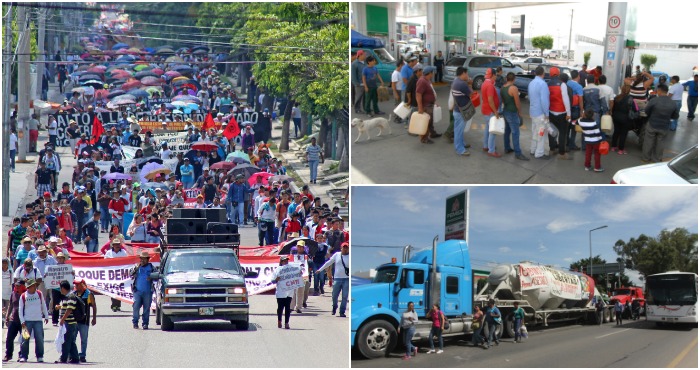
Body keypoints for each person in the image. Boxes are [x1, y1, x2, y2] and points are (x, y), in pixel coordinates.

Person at [642, 84, 679, 163]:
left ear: (659, 91)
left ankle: (646, 158)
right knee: (660, 143)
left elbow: (646, 111)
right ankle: (657, 159)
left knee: (648, 141)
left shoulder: (654, 100)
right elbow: (675, 116)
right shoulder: (673, 103)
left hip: (652, 124)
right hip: (664, 126)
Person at [17, 278, 49, 363]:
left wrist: (46, 316)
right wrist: (22, 321)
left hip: (38, 320)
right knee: (25, 339)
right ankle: (24, 356)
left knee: (39, 339)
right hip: (27, 320)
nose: (34, 287)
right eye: (33, 286)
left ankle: (40, 356)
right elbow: (20, 309)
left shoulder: (39, 293)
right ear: (29, 287)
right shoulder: (23, 296)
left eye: (35, 285)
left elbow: (43, 304)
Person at [546, 67, 572, 160]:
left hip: (551, 111)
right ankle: (562, 153)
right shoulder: (562, 84)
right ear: (558, 73)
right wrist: (568, 113)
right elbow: (566, 99)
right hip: (561, 112)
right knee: (562, 133)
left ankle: (552, 149)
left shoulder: (547, 84)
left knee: (551, 131)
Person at [502, 72, 529, 160]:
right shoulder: (513, 88)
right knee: (515, 132)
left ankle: (507, 147)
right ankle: (518, 153)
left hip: (506, 110)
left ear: (506, 78)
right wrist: (519, 112)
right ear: (514, 79)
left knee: (507, 130)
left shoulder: (503, 87)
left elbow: (503, 100)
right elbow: (517, 103)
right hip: (512, 112)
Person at [317, 242, 349, 317]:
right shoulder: (337, 255)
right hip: (337, 278)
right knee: (334, 295)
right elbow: (329, 262)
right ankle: (334, 306)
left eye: (346, 248)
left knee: (345, 296)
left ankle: (342, 311)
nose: (345, 249)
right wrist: (320, 269)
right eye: (343, 247)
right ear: (341, 248)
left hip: (346, 279)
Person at [450, 67, 473, 157]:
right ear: (463, 73)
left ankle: (462, 143)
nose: (467, 76)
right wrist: (470, 84)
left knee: (458, 130)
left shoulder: (455, 81)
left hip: (457, 109)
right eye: (466, 74)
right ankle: (460, 149)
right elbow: (471, 94)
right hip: (461, 111)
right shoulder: (462, 84)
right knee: (459, 131)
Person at [529, 66, 550, 159]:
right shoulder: (543, 84)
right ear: (543, 73)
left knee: (534, 132)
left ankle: (533, 149)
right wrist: (547, 114)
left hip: (533, 111)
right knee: (541, 133)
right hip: (540, 113)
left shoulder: (531, 83)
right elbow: (544, 100)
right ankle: (539, 153)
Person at [56, 280, 80, 364]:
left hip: (69, 323)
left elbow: (69, 309)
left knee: (66, 341)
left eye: (60, 288)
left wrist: (62, 319)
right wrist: (61, 307)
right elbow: (67, 306)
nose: (60, 290)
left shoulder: (70, 296)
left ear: (63, 288)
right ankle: (75, 358)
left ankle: (63, 358)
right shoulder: (68, 297)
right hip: (69, 323)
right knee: (71, 341)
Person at [72, 279, 95, 362]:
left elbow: (94, 306)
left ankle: (82, 355)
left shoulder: (88, 294)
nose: (76, 286)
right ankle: (73, 355)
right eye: (75, 285)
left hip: (84, 321)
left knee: (84, 339)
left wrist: (94, 318)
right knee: (72, 339)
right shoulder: (73, 294)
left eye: (77, 285)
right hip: (74, 321)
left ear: (82, 285)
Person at [416, 66, 441, 144]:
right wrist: (420, 107)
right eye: (433, 72)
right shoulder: (422, 81)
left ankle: (432, 133)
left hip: (430, 104)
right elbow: (418, 94)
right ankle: (424, 138)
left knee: (430, 121)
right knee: (426, 122)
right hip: (425, 105)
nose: (433, 73)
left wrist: (434, 101)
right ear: (430, 73)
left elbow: (431, 91)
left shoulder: (427, 80)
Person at [131, 251, 154, 330]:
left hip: (148, 291)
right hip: (137, 291)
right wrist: (136, 269)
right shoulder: (137, 267)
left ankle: (145, 323)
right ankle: (135, 322)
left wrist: (151, 277)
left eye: (144, 259)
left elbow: (157, 276)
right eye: (141, 259)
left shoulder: (151, 267)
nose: (142, 260)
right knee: (136, 307)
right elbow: (130, 274)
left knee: (146, 309)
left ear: (148, 259)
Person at [4, 280, 25, 362]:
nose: (17, 287)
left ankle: (22, 355)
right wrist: (7, 316)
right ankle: (8, 355)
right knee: (9, 338)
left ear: (23, 286)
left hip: (23, 320)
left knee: (23, 338)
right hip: (13, 319)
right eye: (16, 285)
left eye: (19, 286)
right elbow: (11, 305)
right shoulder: (13, 293)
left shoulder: (26, 294)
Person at [481, 68, 501, 157]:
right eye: (495, 74)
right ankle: (491, 150)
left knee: (487, 129)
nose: (496, 76)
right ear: (492, 75)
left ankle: (486, 146)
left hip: (485, 110)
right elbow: (490, 100)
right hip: (490, 111)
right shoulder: (490, 85)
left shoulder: (484, 83)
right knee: (493, 131)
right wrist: (495, 111)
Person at [104, 240, 126, 312]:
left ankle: (118, 305)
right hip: (111, 275)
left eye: (118, 244)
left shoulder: (123, 252)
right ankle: (114, 305)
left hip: (120, 274)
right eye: (116, 244)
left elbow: (127, 262)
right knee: (113, 290)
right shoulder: (109, 253)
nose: (117, 246)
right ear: (113, 245)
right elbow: (104, 262)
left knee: (120, 290)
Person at [273, 256, 294, 329]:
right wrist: (277, 279)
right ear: (281, 262)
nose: (285, 262)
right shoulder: (277, 270)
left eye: (286, 261)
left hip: (289, 292)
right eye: (284, 261)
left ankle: (287, 323)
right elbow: (272, 280)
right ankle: (279, 320)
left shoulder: (291, 269)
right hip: (281, 292)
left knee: (288, 308)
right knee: (280, 307)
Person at [610, 85, 633, 154]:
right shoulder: (630, 98)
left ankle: (613, 147)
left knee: (616, 132)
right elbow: (632, 108)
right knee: (623, 134)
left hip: (616, 117)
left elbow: (613, 107)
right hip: (625, 118)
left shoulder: (617, 97)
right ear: (629, 91)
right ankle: (621, 149)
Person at [351, 50, 366, 114]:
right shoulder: (354, 64)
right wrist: (356, 83)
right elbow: (353, 75)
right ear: (360, 55)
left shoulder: (364, 63)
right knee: (359, 97)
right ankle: (357, 109)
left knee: (365, 97)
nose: (365, 56)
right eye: (364, 55)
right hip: (359, 83)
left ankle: (364, 108)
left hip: (365, 82)